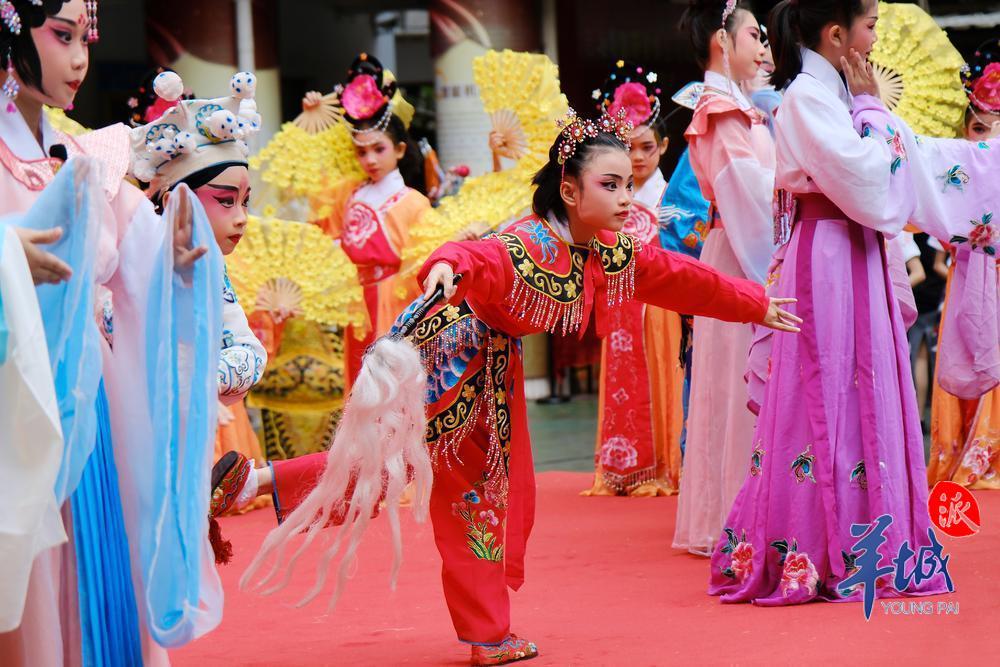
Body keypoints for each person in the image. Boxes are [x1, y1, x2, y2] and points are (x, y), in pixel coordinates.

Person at [227, 109, 801, 666]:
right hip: (455, 370)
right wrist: (447, 263)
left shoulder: (603, 250)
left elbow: (675, 276)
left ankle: (254, 482)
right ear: (571, 192)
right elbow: (476, 256)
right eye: (611, 184)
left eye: (629, 183)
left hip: (486, 370)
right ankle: (488, 633)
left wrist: (754, 302)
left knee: (392, 466)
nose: (627, 196)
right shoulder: (527, 243)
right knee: (475, 499)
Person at [711, 0, 998, 606]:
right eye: (869, 26)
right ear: (838, 33)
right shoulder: (808, 100)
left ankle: (869, 535)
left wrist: (980, 164)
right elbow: (870, 176)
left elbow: (905, 159)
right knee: (823, 388)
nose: (875, 38)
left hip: (855, 252)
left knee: (867, 386)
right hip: (828, 259)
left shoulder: (834, 98)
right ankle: (811, 547)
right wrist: (872, 109)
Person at [0, 1, 223, 663]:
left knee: (101, 570)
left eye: (85, 39)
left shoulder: (83, 154)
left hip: (91, 403)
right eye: (61, 36)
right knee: (36, 593)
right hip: (21, 410)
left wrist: (176, 254)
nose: (78, 59)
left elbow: (136, 252)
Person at [673, 0, 779, 555]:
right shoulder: (721, 109)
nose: (763, 46)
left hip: (737, 245)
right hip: (742, 249)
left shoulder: (739, 107)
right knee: (741, 377)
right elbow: (749, 193)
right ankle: (745, 516)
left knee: (738, 377)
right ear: (723, 39)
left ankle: (744, 511)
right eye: (754, 35)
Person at [583, 60, 684, 497]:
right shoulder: (607, 200)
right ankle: (622, 468)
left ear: (663, 145)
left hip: (661, 309)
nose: (639, 158)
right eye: (629, 149)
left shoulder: (672, 197)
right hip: (619, 306)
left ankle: (664, 466)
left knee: (666, 378)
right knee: (623, 382)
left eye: (647, 147)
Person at [309, 52, 431, 391]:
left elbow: (424, 270)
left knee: (395, 391)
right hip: (358, 306)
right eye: (361, 152)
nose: (370, 159)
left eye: (379, 149)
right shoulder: (349, 195)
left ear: (401, 150)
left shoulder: (414, 203)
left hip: (397, 306)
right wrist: (316, 113)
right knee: (359, 391)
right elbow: (323, 224)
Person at [926, 39, 1000, 489]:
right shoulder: (957, 160)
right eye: (979, 125)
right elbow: (940, 222)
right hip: (969, 269)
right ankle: (962, 449)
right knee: (966, 346)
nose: (985, 135)